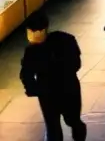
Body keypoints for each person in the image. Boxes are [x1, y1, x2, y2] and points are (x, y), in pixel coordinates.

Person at [20, 11, 86, 141]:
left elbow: (26, 74)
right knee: (73, 121)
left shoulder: (31, 51)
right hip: (69, 88)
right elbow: (76, 64)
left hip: (48, 93)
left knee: (53, 127)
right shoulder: (67, 40)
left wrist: (33, 89)